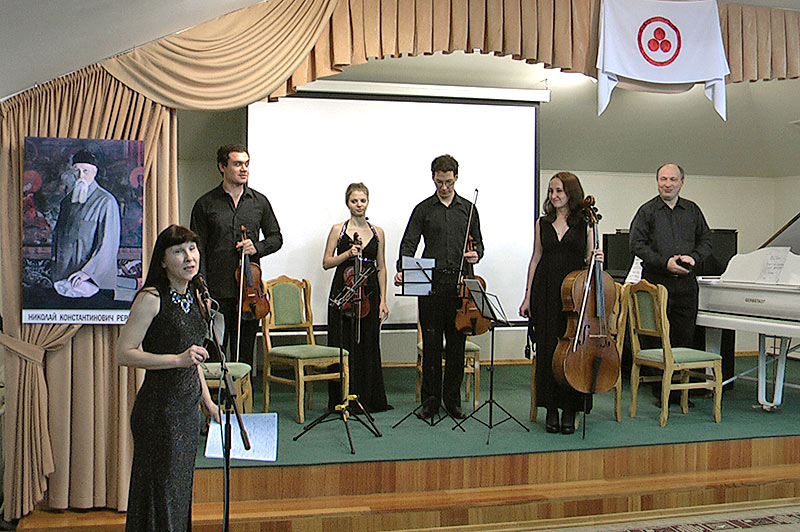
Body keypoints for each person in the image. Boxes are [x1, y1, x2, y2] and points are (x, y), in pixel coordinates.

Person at [117, 224, 220, 532]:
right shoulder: (151, 298)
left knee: (177, 494)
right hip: (159, 412)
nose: (189, 257)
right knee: (160, 493)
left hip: (187, 412)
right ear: (162, 260)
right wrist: (176, 360)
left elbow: (194, 359)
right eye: (178, 251)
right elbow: (124, 354)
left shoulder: (196, 296)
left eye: (192, 249)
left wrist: (208, 402)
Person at [394, 154, 483, 420]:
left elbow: (479, 243)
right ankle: (430, 402)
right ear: (433, 177)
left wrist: (476, 254)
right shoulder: (423, 209)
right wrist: (403, 268)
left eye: (448, 182)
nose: (444, 187)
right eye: (439, 182)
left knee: (456, 345)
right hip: (430, 284)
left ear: (456, 177)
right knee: (432, 345)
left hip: (459, 287)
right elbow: (409, 242)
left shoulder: (468, 209)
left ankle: (452, 401)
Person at [519, 172, 601, 435]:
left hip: (573, 296)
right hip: (545, 292)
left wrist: (598, 258)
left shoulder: (585, 223)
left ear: (571, 193)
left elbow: (589, 261)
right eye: (551, 191)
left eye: (559, 191)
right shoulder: (542, 223)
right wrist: (527, 296)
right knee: (548, 350)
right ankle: (551, 408)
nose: (554, 196)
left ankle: (570, 408)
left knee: (573, 353)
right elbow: (535, 259)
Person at [190, 144, 282, 368]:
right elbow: (198, 250)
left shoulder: (259, 202)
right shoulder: (205, 204)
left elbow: (276, 238)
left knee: (244, 355)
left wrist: (256, 248)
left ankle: (243, 393)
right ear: (222, 167)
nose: (244, 169)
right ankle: (217, 393)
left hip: (249, 293)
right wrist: (202, 289)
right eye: (237, 164)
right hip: (217, 290)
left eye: (246, 164)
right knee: (215, 354)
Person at [629, 163, 712, 401]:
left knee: (684, 338)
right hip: (657, 284)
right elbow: (636, 244)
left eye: (673, 180)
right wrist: (665, 262)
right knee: (657, 338)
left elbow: (707, 240)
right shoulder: (647, 211)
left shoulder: (693, 210)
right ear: (657, 182)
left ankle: (680, 393)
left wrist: (694, 257)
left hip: (686, 285)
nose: (667, 184)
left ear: (681, 182)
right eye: (663, 179)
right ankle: (662, 391)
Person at [323, 182, 392, 413]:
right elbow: (326, 262)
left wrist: (383, 300)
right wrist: (347, 254)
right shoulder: (338, 230)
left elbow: (381, 268)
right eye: (354, 201)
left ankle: (368, 399)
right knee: (343, 344)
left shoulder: (378, 232)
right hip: (343, 292)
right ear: (348, 203)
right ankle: (341, 399)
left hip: (369, 294)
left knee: (368, 344)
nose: (359, 205)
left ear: (368, 202)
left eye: (362, 200)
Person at [51, 149, 121, 297]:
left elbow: (108, 245)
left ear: (94, 172)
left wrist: (87, 272)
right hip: (65, 277)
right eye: (77, 171)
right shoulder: (67, 202)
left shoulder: (106, 201)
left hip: (91, 279)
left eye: (85, 171)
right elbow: (59, 237)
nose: (81, 176)